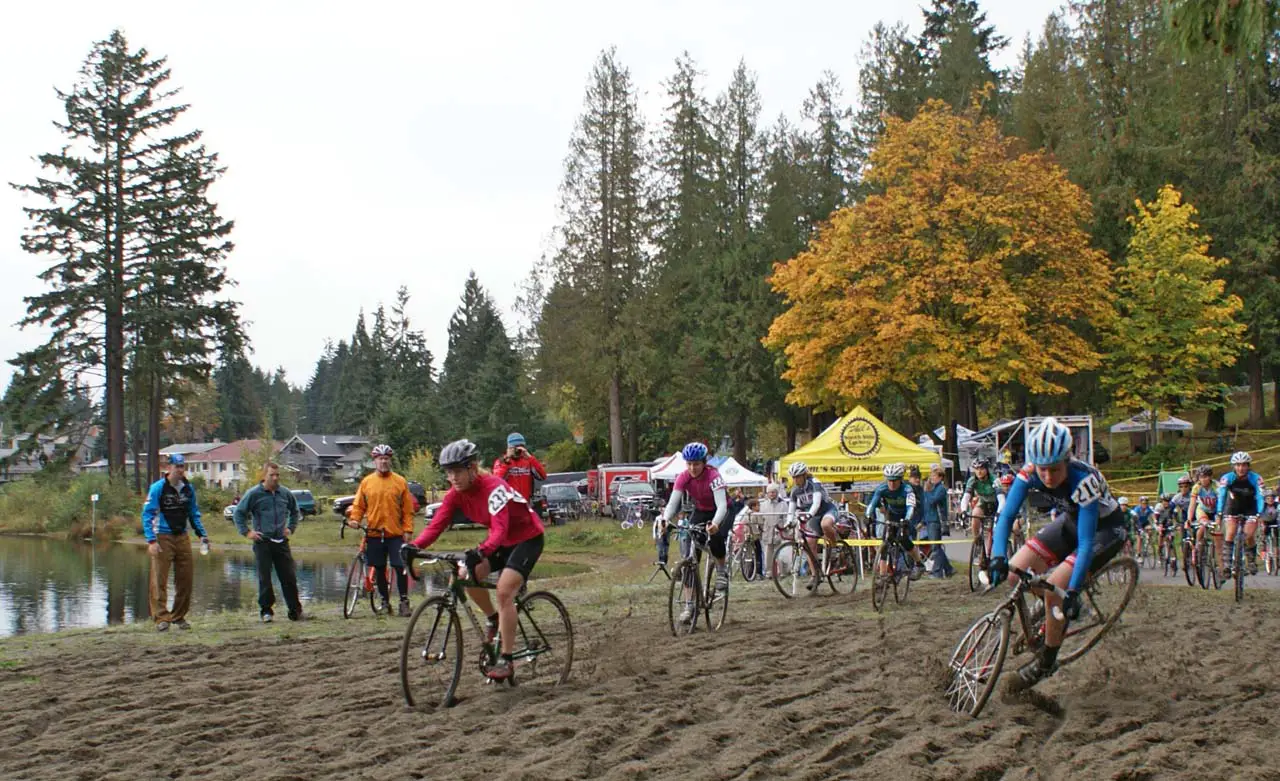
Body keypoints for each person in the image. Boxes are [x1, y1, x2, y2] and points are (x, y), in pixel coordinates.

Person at [989, 417, 1128, 690]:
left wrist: (1072, 591)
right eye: (1043, 471)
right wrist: (997, 556)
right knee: (1014, 574)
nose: (1049, 478)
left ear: (1067, 460)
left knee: (1056, 590)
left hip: (1105, 530)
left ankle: (1047, 661)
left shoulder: (1083, 480)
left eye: (1054, 470)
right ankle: (1053, 607)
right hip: (1069, 522)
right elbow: (1005, 517)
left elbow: (1086, 543)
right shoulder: (1028, 473)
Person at [404, 439, 545, 682]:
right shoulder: (455, 495)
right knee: (465, 575)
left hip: (527, 538)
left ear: (473, 468)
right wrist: (414, 546)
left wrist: (481, 550)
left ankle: (506, 660)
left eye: (458, 471)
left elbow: (499, 531)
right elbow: (436, 526)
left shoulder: (494, 487)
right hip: (503, 542)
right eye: (449, 472)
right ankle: (493, 618)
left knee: (503, 592)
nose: (453, 477)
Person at [660, 443, 730, 623]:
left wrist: (715, 524)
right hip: (700, 510)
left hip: (720, 510)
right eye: (689, 464)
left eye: (696, 464)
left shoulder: (714, 476)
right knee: (690, 553)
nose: (692, 468)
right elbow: (673, 503)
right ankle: (690, 605)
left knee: (715, 538)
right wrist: (665, 520)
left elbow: (721, 505)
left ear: (704, 463)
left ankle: (721, 570)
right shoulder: (683, 477)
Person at [141, 453, 210, 631]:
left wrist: (202, 534)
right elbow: (147, 514)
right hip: (162, 537)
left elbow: (193, 513)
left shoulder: (188, 489)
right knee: (159, 579)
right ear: (169, 467)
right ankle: (161, 618)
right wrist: (151, 540)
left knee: (185, 578)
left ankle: (179, 616)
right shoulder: (158, 488)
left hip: (182, 536)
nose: (180, 470)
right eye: (177, 466)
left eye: (182, 466)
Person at [346, 444, 416, 616]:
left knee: (399, 567)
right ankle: (385, 602)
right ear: (374, 461)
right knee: (379, 568)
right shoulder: (367, 482)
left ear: (390, 460)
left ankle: (404, 601)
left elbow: (408, 509)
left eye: (386, 458)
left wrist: (408, 530)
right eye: (380, 459)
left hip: (395, 534)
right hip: (375, 533)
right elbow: (359, 505)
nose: (383, 461)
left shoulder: (400, 482)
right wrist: (354, 519)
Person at [233, 461, 304, 623]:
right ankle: (266, 611)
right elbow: (239, 514)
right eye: (272, 475)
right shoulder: (254, 494)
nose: (275, 478)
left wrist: (291, 528)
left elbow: (295, 511)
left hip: (281, 541)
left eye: (277, 475)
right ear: (264, 476)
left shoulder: (285, 493)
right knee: (265, 578)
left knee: (289, 577)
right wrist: (247, 532)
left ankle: (295, 610)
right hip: (262, 542)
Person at [784, 461, 841, 592]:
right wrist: (788, 522)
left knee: (825, 524)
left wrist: (808, 515)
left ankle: (834, 548)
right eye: (794, 477)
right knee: (809, 543)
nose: (796, 480)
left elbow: (816, 503)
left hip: (827, 510)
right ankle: (815, 575)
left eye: (798, 477)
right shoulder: (795, 490)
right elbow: (791, 509)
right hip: (813, 515)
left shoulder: (814, 483)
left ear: (804, 475)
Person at [865, 463, 926, 580]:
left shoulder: (908, 489)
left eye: (895, 480)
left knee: (903, 539)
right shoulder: (882, 488)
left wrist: (907, 520)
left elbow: (910, 507)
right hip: (892, 514)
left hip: (907, 516)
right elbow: (872, 504)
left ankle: (919, 564)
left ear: (901, 479)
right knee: (885, 543)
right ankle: (882, 576)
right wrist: (868, 516)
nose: (892, 484)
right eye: (889, 480)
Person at [1217, 451, 1267, 577]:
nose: (1241, 468)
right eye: (1238, 465)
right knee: (1230, 532)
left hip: (1250, 507)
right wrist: (1219, 512)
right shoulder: (1227, 478)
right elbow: (1222, 496)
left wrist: (1259, 513)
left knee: (1248, 535)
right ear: (1233, 466)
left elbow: (1261, 496)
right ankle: (1227, 564)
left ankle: (1250, 560)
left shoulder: (1256, 478)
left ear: (1248, 466)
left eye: (1244, 465)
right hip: (1232, 506)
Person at [492, 432, 547, 501]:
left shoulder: (528, 461)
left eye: (521, 446)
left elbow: (542, 476)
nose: (518, 450)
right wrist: (506, 461)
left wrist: (531, 458)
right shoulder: (501, 462)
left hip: (525, 503)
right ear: (509, 447)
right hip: (510, 504)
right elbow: (497, 481)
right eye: (516, 447)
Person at [961, 459, 1000, 554]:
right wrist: (963, 511)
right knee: (975, 515)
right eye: (976, 469)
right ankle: (978, 543)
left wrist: (999, 512)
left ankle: (997, 549)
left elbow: (1001, 499)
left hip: (997, 503)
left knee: (995, 529)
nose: (979, 471)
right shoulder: (972, 480)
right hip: (983, 503)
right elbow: (966, 497)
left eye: (982, 468)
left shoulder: (994, 480)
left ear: (986, 469)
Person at [922, 464, 954, 578]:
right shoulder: (934, 488)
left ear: (940, 477)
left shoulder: (940, 489)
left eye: (934, 476)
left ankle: (937, 572)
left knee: (935, 548)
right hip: (930, 519)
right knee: (936, 547)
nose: (932, 478)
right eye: (931, 475)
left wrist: (926, 492)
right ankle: (949, 569)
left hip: (937, 521)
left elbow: (932, 501)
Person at [1188, 465, 1219, 570]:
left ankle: (1218, 555)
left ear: (1210, 477)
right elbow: (1192, 505)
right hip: (1203, 510)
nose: (1203, 479)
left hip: (1216, 511)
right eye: (1201, 477)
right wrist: (1189, 518)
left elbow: (1222, 502)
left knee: (1218, 533)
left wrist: (1219, 516)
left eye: (1206, 477)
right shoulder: (1196, 487)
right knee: (1202, 527)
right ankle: (1196, 549)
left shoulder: (1216, 486)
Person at [758, 484, 789, 578]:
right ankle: (769, 572)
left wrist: (784, 528)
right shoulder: (763, 504)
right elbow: (760, 518)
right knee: (768, 553)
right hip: (767, 531)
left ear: (777, 492)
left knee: (780, 552)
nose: (771, 494)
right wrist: (762, 528)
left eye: (773, 492)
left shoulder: (783, 504)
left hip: (779, 531)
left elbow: (786, 517)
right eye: (770, 492)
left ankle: (783, 572)